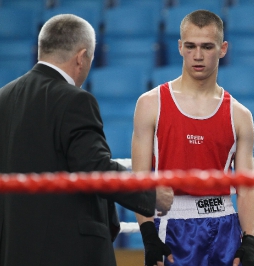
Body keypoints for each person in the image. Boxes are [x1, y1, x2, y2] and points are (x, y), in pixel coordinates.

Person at [0, 14, 173, 266]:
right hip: (67, 251)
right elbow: (94, 167)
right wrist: (150, 193)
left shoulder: (3, 98)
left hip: (11, 250)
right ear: (81, 58)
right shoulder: (74, 99)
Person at [131, 10, 254, 266]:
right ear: (180, 47)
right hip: (171, 225)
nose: (198, 56)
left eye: (207, 47)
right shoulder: (150, 104)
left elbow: (246, 188)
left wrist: (251, 241)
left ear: (223, 49)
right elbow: (140, 180)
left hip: (225, 225)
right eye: (190, 46)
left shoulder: (240, 115)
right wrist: (148, 235)